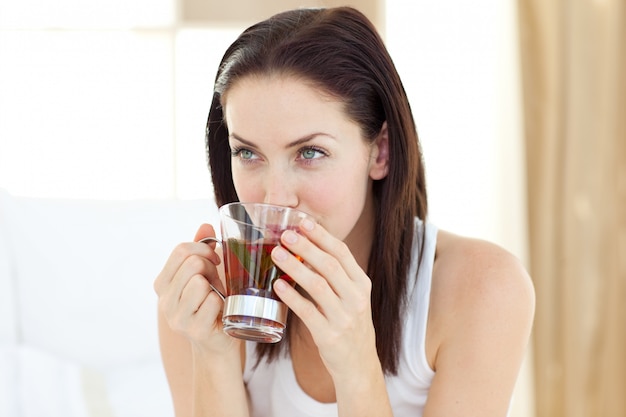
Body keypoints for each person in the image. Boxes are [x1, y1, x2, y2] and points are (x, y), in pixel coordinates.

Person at [153, 6, 535, 417]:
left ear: (381, 152)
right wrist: (214, 356)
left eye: (310, 153)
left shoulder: (483, 289)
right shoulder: (200, 300)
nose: (275, 197)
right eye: (248, 152)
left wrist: (356, 368)